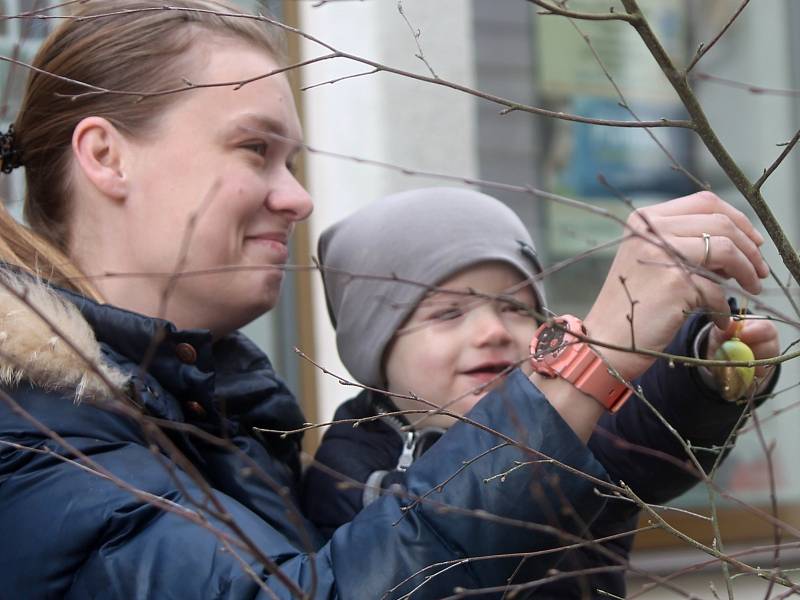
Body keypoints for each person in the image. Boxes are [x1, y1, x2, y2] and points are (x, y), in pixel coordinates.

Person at [0, 1, 778, 598]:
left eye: (293, 161)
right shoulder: (33, 441)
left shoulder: (207, 415)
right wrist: (589, 356)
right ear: (106, 156)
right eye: (255, 150)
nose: (298, 199)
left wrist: (697, 374)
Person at [305, 187, 780, 597]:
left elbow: (646, 428)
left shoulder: (571, 424)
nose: (492, 330)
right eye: (449, 314)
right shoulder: (349, 465)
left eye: (514, 306)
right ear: (377, 349)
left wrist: (702, 370)